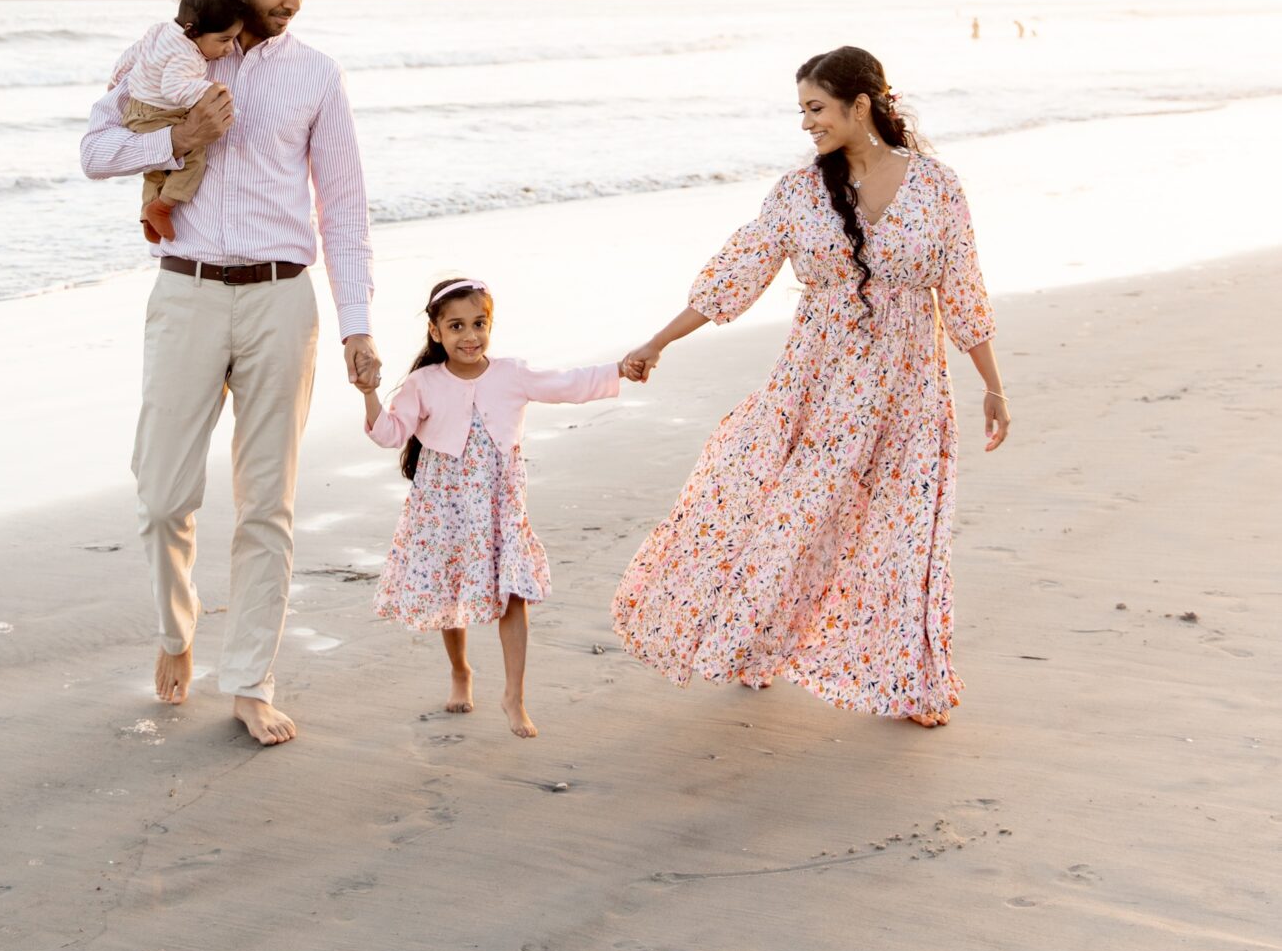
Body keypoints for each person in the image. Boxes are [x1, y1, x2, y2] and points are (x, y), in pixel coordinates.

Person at [611, 45, 1008, 728]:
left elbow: (963, 289)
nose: (806, 124)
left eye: (816, 108)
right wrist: (657, 342)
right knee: (789, 522)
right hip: (817, 396)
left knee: (906, 535)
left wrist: (992, 385)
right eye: (801, 110)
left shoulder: (938, 187)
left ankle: (909, 683)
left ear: (862, 105)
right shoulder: (798, 194)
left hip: (909, 394)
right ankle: (756, 644)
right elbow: (735, 275)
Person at [80, 0, 379, 747]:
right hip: (188, 292)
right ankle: (177, 634)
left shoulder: (316, 75)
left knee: (266, 507)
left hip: (284, 300)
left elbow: (344, 208)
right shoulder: (168, 56)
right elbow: (94, 149)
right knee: (163, 494)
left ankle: (249, 679)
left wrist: (357, 325)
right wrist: (181, 137)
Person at [360, 276, 624, 738]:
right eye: (457, 326)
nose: (470, 336)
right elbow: (389, 434)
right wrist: (368, 393)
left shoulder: (511, 374)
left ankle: (513, 696)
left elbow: (568, 384)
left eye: (479, 324)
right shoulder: (423, 383)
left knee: (513, 594)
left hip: (501, 507)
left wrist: (621, 369)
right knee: (450, 593)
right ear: (436, 332)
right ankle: (461, 671)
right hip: (443, 508)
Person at [118, 0, 248, 244]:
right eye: (224, 40)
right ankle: (163, 206)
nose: (228, 48)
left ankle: (147, 214)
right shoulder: (187, 54)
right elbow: (174, 89)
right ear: (192, 31)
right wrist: (209, 91)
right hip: (159, 113)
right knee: (194, 158)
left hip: (137, 110)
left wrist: (116, 79)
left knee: (155, 169)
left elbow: (133, 55)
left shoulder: (159, 30)